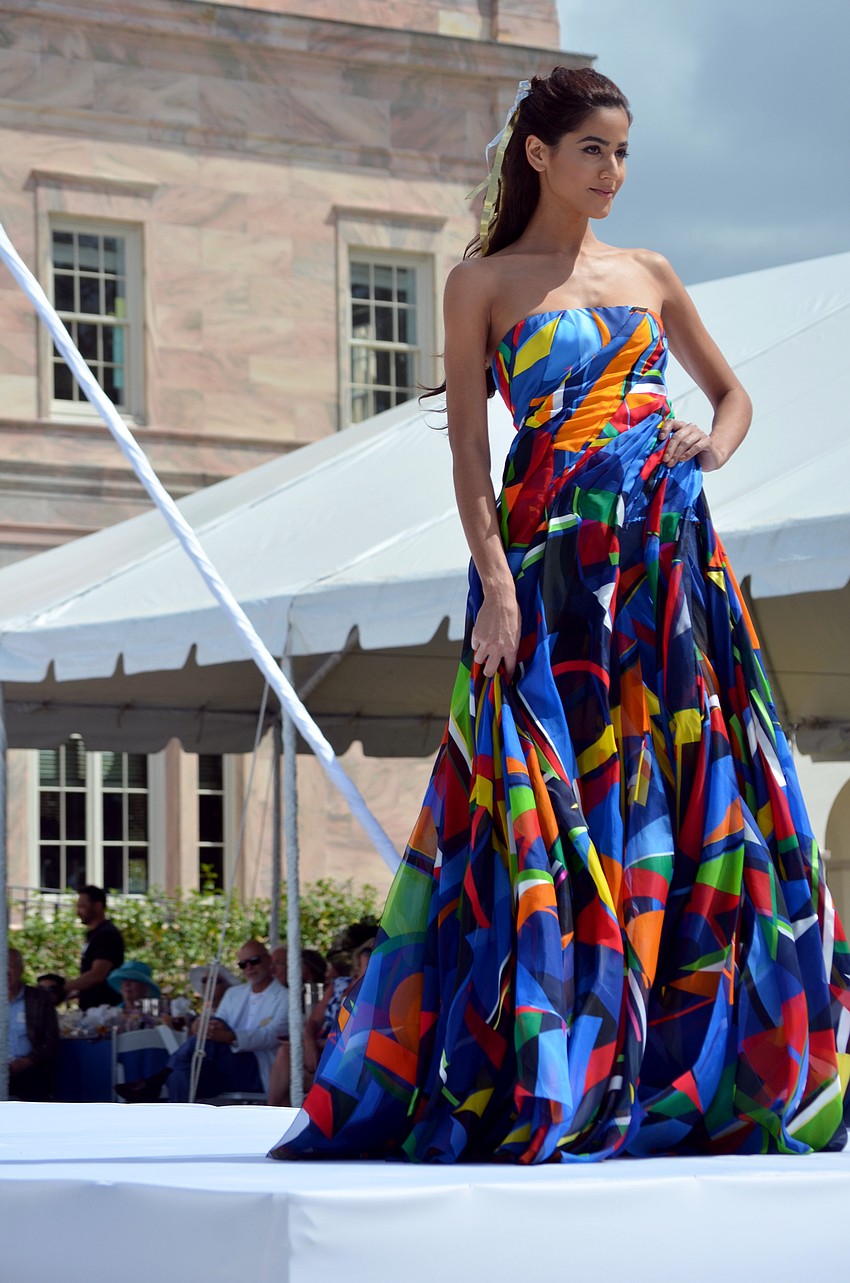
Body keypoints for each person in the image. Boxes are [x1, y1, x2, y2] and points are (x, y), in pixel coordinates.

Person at [270, 66, 850, 1164]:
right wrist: (492, 581)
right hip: (546, 572)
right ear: (539, 154)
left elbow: (732, 397)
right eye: (594, 149)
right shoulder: (480, 282)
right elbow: (467, 456)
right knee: (541, 799)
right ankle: (556, 1065)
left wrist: (705, 448)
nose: (613, 172)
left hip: (666, 564)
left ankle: (691, 1057)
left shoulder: (650, 273)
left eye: (624, 153)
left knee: (692, 794)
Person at [118, 941, 288, 1102]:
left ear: (268, 961)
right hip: (223, 1069)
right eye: (243, 964)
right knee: (180, 1074)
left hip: (257, 1070)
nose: (249, 968)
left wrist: (230, 1037)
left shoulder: (285, 997)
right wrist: (202, 1027)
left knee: (211, 1032)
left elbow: (271, 1036)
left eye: (254, 961)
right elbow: (217, 1025)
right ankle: (180, 1124)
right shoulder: (234, 993)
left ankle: (157, 1079)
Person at [8, 948, 60, 1101]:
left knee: (35, 1083)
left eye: (9, 966)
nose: (5, 972)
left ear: (21, 970)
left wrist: (25, 1062)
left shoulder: (39, 999)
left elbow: (50, 1041)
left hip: (30, 1068)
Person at [63, 885, 124, 1010]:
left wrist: (63, 988)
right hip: (93, 1007)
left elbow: (98, 974)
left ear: (98, 906)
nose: (78, 912)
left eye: (82, 907)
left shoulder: (106, 935)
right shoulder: (95, 934)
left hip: (103, 1009)